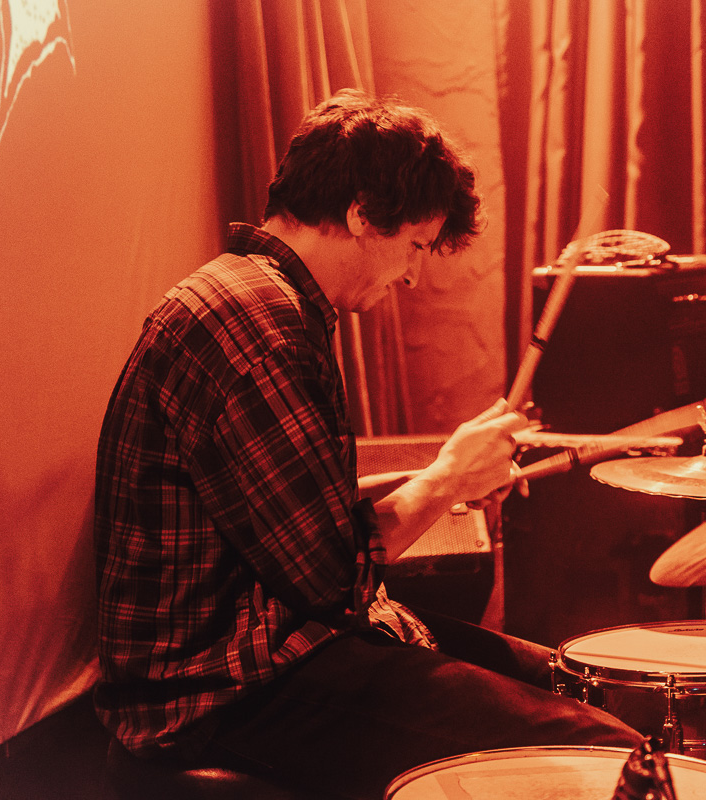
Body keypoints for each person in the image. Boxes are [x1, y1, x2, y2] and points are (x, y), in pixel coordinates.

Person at [93, 89, 641, 799]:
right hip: (220, 689)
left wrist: (450, 473)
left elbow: (295, 525)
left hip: (268, 644)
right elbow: (332, 581)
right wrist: (446, 479)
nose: (412, 274)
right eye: (414, 245)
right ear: (361, 213)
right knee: (609, 754)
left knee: (581, 683)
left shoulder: (257, 297)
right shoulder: (262, 328)